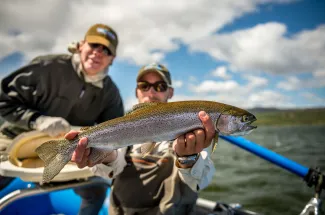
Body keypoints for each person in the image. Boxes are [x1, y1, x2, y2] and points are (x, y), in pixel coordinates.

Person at [0, 23, 124, 215]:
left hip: (67, 151)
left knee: (96, 191)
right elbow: (3, 99)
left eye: (106, 50)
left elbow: (117, 133)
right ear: (81, 45)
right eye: (94, 45)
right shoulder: (47, 66)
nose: (98, 52)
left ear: (112, 59)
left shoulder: (111, 93)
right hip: (15, 140)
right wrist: (36, 120)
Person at [66, 62, 216, 215]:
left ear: (170, 92)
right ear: (136, 92)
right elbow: (111, 165)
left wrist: (187, 159)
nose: (151, 93)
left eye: (159, 86)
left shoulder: (196, 130)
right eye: (144, 86)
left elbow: (200, 181)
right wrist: (104, 155)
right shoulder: (122, 125)